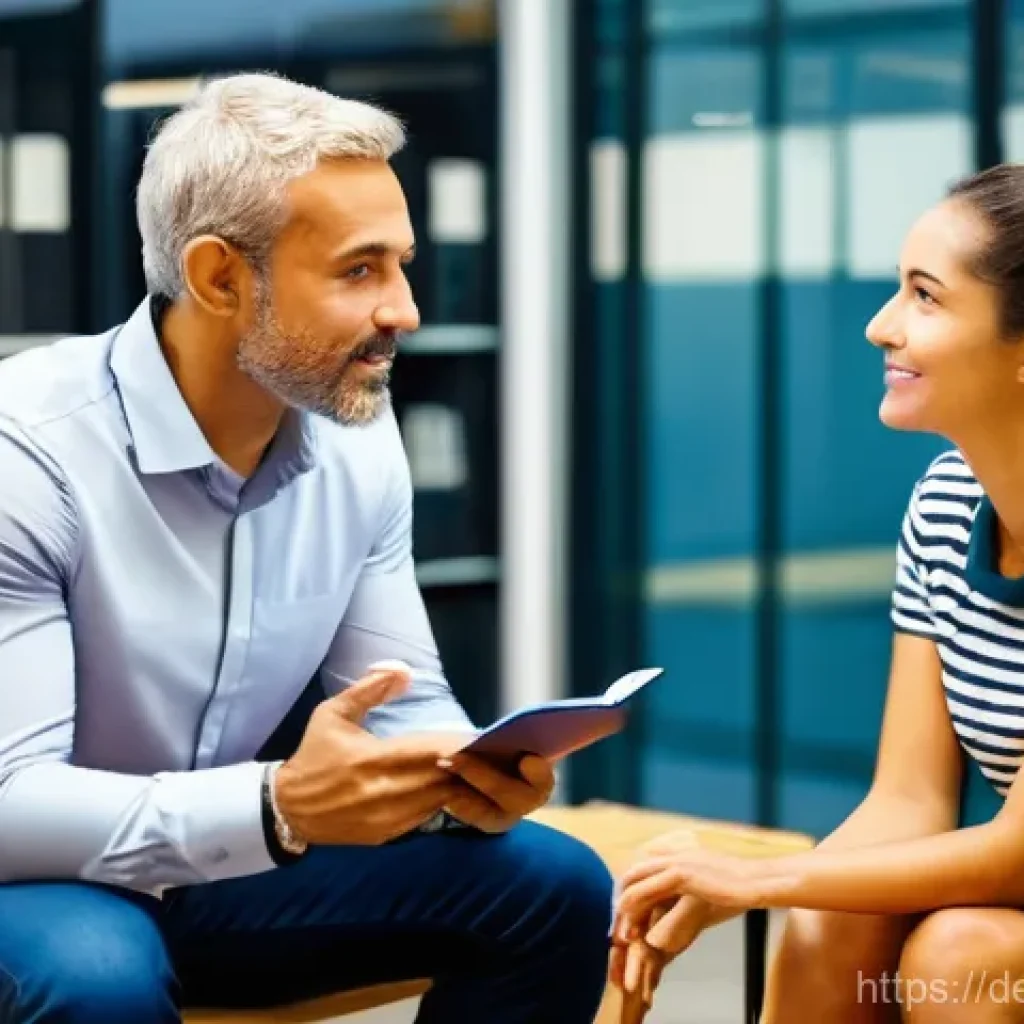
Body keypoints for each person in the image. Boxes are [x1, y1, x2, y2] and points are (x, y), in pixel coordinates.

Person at [0, 72, 613, 1024]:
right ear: (218, 277)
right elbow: (11, 805)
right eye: (360, 270)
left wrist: (467, 774)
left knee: (553, 885)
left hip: (217, 866)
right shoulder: (27, 451)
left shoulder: (355, 437)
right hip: (31, 879)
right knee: (97, 973)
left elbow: (401, 699)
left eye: (403, 265)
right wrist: (277, 808)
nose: (404, 309)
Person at [612, 162, 1024, 1024]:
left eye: (925, 297)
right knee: (828, 920)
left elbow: (1018, 851)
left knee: (960, 960)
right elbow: (908, 798)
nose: (880, 326)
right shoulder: (948, 502)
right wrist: (792, 892)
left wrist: (752, 877)